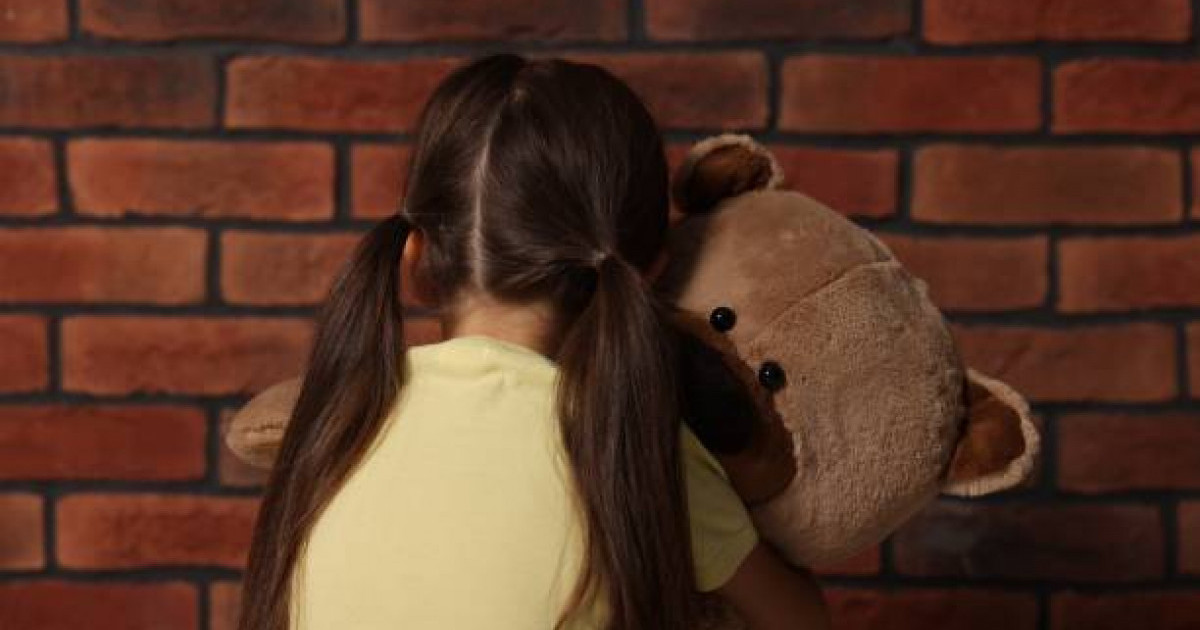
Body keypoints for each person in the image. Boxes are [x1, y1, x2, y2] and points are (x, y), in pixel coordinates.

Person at [238, 53, 829, 630]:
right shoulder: (632, 439)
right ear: (650, 274)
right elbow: (798, 619)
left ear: (415, 258)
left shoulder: (335, 421)